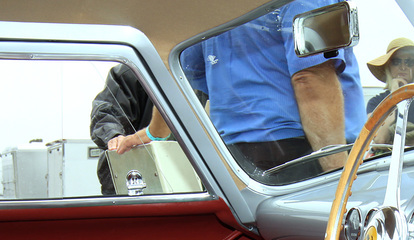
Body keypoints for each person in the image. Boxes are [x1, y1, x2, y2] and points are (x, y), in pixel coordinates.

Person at [181, 0, 365, 184]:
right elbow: (310, 77)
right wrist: (340, 174)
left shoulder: (207, 6)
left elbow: (189, 68)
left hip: (232, 155)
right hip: (302, 152)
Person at [90, 64, 169, 195]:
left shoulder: (192, 70)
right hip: (134, 178)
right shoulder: (132, 72)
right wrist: (114, 135)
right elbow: (106, 111)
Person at [365, 38, 414, 147]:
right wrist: (393, 97)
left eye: (409, 62)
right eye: (396, 62)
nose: (403, 67)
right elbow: (380, 139)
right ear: (388, 66)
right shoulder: (375, 102)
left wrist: (396, 140)